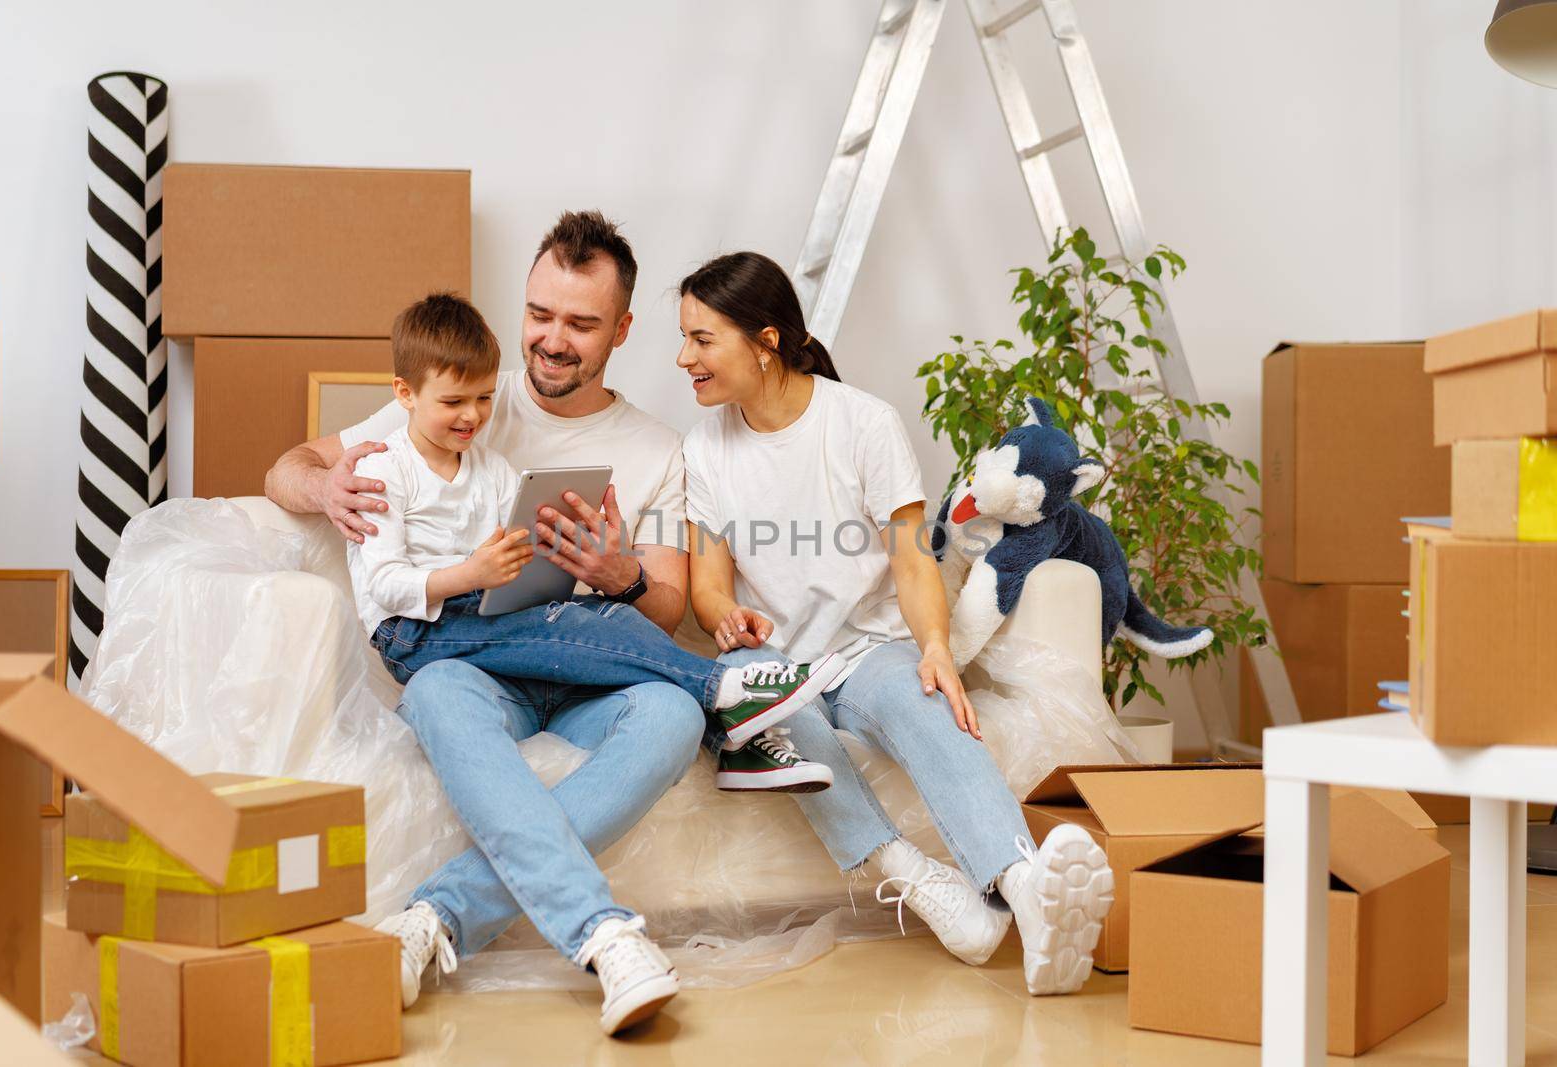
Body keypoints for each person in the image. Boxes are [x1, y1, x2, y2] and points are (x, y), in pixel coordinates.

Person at [264, 213, 823, 1036]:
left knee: (669, 712)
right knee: (442, 689)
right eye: (541, 314)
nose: (553, 341)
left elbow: (668, 604)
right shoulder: (454, 397)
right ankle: (601, 932)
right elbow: (289, 467)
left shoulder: (657, 448)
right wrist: (327, 492)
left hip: (586, 668)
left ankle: (435, 917)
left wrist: (616, 570)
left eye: (581, 323)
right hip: (475, 665)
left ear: (623, 330)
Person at [676, 251, 1117, 996]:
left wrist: (938, 648)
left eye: (701, 339)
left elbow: (913, 563)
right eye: (683, 338)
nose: (684, 358)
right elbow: (707, 588)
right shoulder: (705, 448)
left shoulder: (864, 423)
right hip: (774, 661)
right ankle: (918, 881)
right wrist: (729, 617)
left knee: (931, 706)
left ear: (766, 341)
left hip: (868, 646)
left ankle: (1027, 891)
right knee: (783, 724)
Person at [350, 291, 846, 748]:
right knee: (554, 624)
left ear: (620, 329)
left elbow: (517, 550)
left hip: (476, 609)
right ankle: (721, 686)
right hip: (413, 630)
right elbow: (386, 586)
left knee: (605, 613)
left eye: (483, 399)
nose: (474, 416)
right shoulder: (383, 470)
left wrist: (582, 559)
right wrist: (471, 574)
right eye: (454, 403)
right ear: (405, 393)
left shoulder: (491, 467)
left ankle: (731, 739)